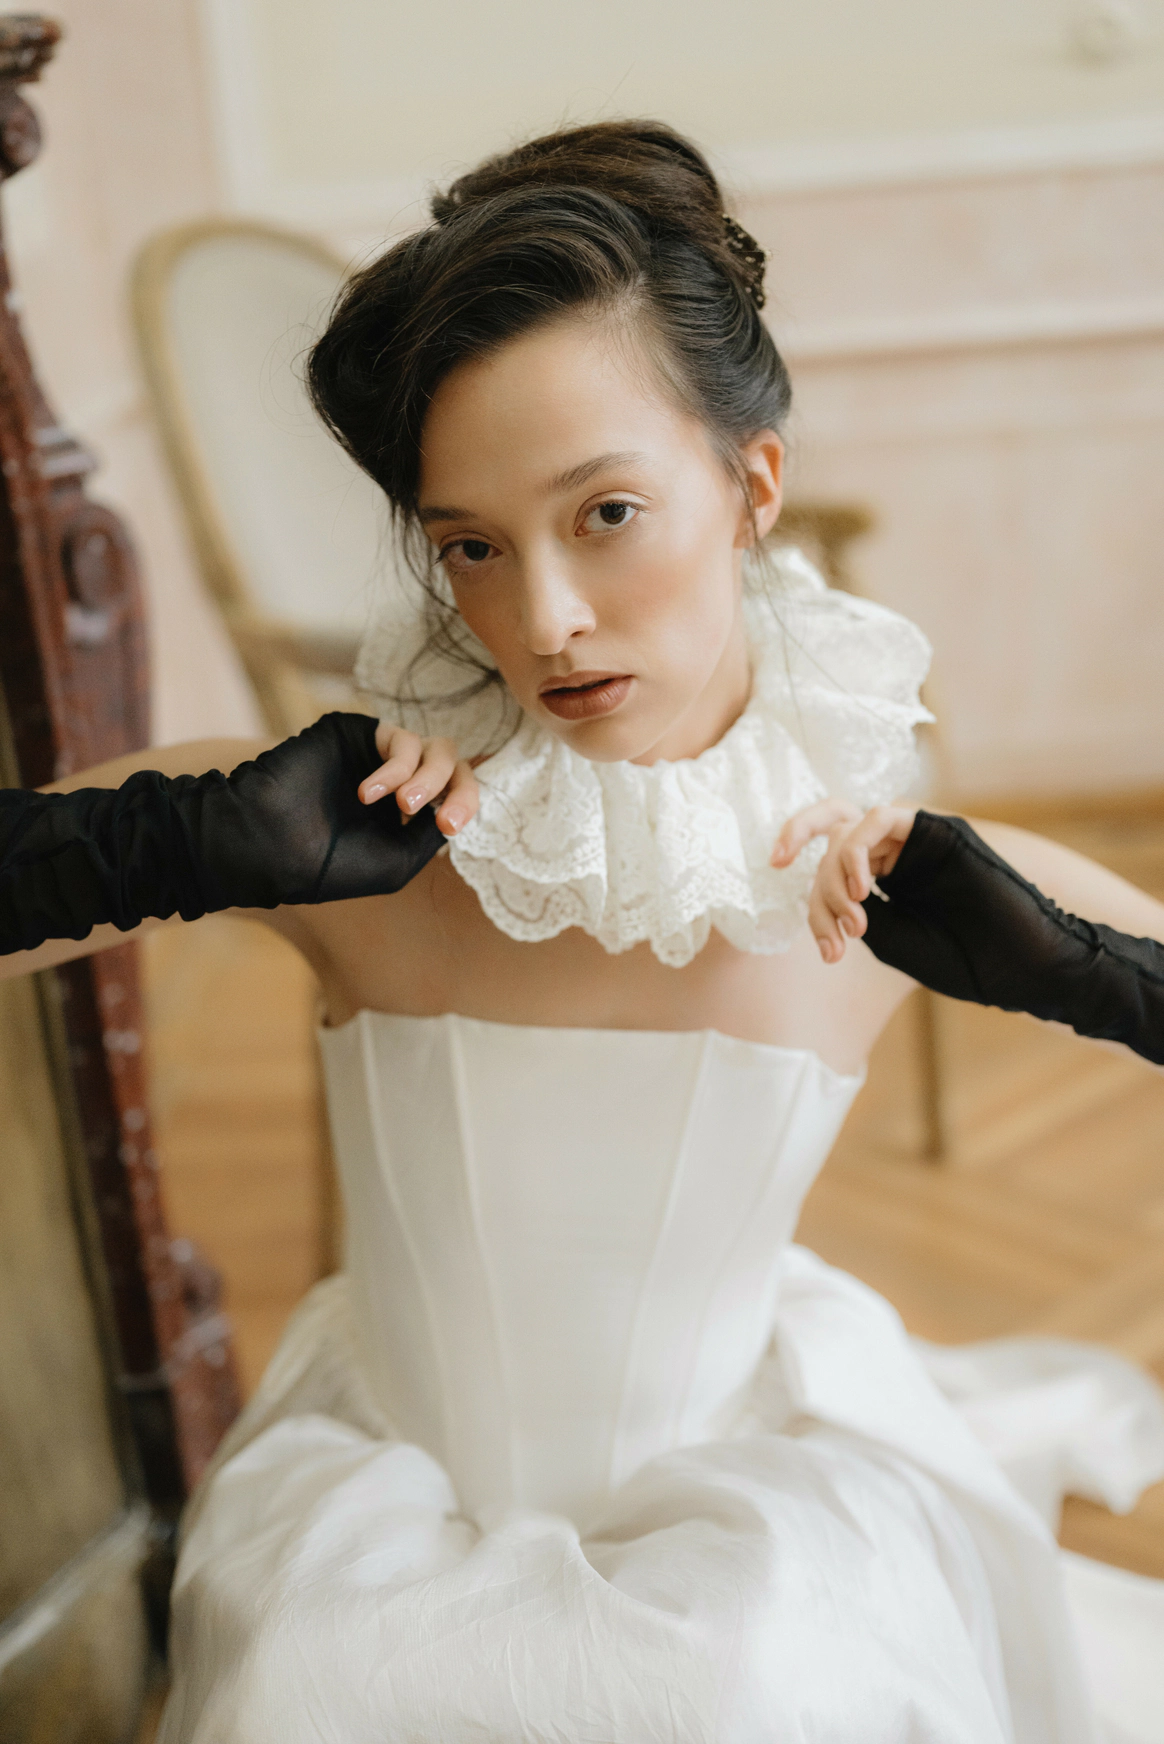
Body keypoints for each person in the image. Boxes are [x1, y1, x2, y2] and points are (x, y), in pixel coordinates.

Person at [3, 120, 1164, 1743]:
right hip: (385, 1507)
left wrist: (1079, 968)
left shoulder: (880, 878)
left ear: (752, 486)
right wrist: (161, 847)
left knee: (754, 1683)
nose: (542, 620)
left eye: (605, 513)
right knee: (305, 1683)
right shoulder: (359, 834)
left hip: (754, 1515)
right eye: (471, 548)